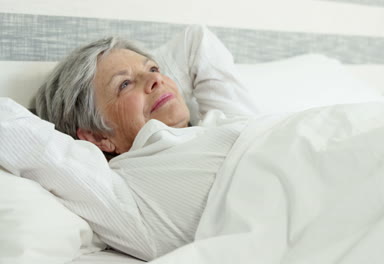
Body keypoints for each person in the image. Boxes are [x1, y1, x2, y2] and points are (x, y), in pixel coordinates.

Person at [2, 25, 257, 261]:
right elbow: (20, 135)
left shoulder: (224, 120)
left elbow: (198, 41)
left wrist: (135, 72)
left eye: (154, 69)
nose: (156, 80)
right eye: (124, 84)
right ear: (97, 137)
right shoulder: (124, 192)